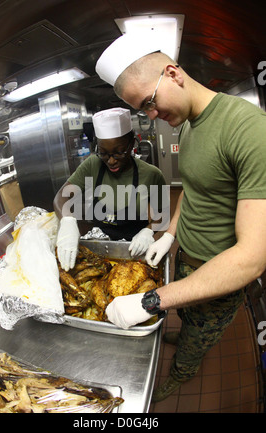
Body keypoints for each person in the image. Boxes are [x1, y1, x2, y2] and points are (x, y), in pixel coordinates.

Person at [95, 33, 266, 401]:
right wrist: (171, 234)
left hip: (219, 269)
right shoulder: (190, 125)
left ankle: (181, 372)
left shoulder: (249, 129)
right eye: (144, 111)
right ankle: (184, 332)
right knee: (188, 320)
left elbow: (253, 257)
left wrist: (151, 301)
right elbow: (194, 186)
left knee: (199, 335)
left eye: (150, 103)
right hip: (185, 256)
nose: (152, 116)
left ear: (173, 74)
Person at [54, 107, 168, 272]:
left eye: (119, 152)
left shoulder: (151, 175)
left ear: (132, 143)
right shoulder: (92, 166)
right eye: (104, 153)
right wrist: (68, 221)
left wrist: (148, 232)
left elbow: (161, 217)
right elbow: (60, 198)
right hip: (100, 253)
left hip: (135, 252)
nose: (112, 160)